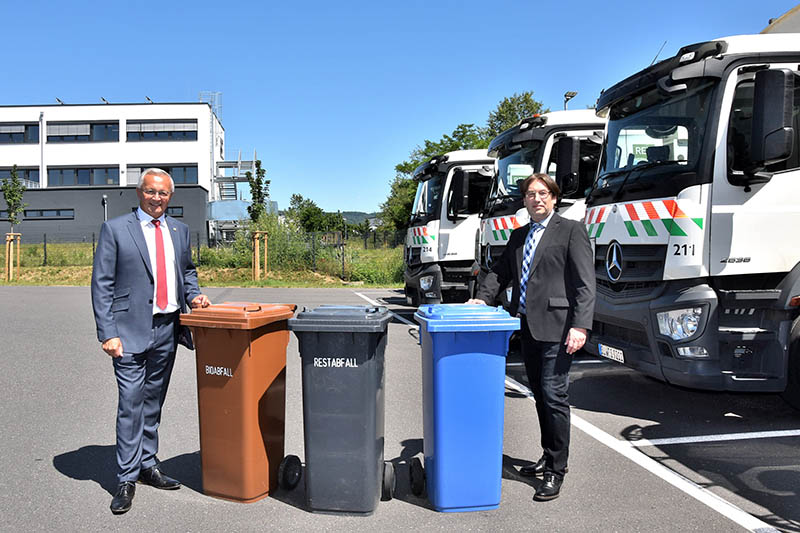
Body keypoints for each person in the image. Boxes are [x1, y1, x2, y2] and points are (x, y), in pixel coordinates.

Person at [468, 173, 595, 501]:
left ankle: (556, 470)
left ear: (554, 198)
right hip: (527, 326)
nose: (536, 199)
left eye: (543, 193)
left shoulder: (570, 231)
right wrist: (482, 298)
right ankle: (547, 454)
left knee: (554, 395)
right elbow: (499, 272)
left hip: (559, 328)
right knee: (540, 394)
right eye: (530, 194)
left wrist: (581, 326)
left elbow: (584, 283)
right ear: (524, 200)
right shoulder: (519, 235)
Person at [91, 168, 210, 514]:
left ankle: (147, 464)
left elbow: (187, 272)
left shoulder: (180, 230)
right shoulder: (115, 230)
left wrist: (196, 298)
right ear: (139, 193)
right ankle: (126, 477)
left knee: (153, 400)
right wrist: (108, 333)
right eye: (151, 192)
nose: (157, 198)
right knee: (131, 401)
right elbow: (102, 284)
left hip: (167, 329)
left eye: (163, 193)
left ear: (170, 197)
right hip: (127, 332)